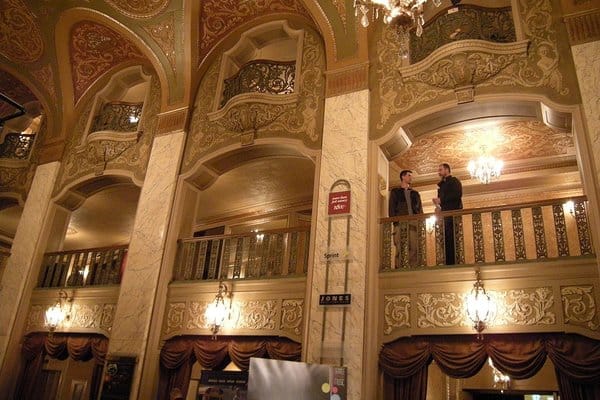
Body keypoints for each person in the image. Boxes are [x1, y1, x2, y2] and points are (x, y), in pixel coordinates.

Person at [389, 170, 423, 267]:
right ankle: (399, 267)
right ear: (403, 177)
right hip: (400, 222)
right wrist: (395, 222)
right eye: (409, 175)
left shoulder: (415, 194)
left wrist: (420, 221)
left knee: (414, 246)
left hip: (414, 222)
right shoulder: (395, 192)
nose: (411, 177)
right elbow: (391, 208)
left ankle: (412, 267)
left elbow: (420, 209)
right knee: (400, 246)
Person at [432, 163, 463, 265]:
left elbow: (457, 194)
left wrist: (441, 200)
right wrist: (437, 206)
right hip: (444, 215)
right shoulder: (441, 186)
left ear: (447, 170)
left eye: (440, 170)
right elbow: (441, 202)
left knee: (452, 238)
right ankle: (447, 262)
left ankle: (453, 262)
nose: (439, 172)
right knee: (445, 239)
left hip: (452, 214)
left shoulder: (454, 181)